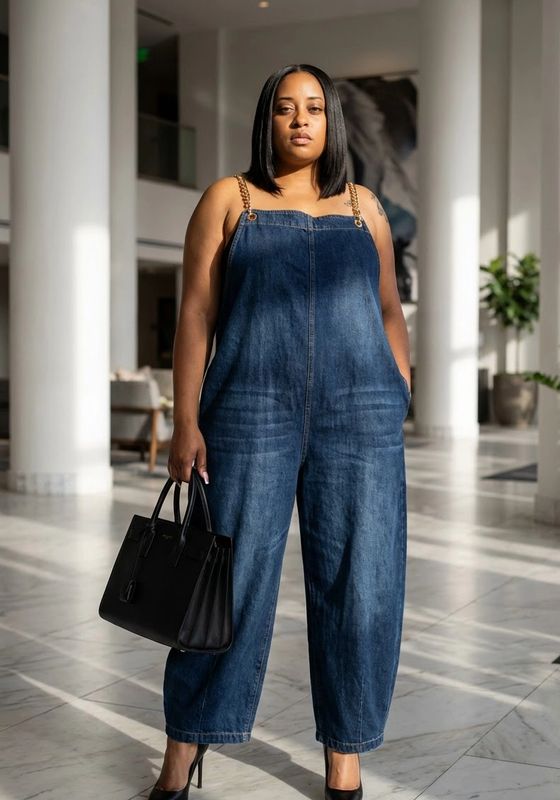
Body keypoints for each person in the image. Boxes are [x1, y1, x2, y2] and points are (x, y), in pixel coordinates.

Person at [150, 63, 411, 800]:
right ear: (266, 121)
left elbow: (390, 308)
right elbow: (195, 314)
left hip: (360, 415)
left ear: (332, 124)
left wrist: (399, 388)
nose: (301, 120)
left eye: (315, 109)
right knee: (225, 585)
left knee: (363, 584)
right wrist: (185, 418)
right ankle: (183, 751)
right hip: (248, 411)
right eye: (286, 109)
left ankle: (346, 758)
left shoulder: (367, 208)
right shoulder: (228, 200)